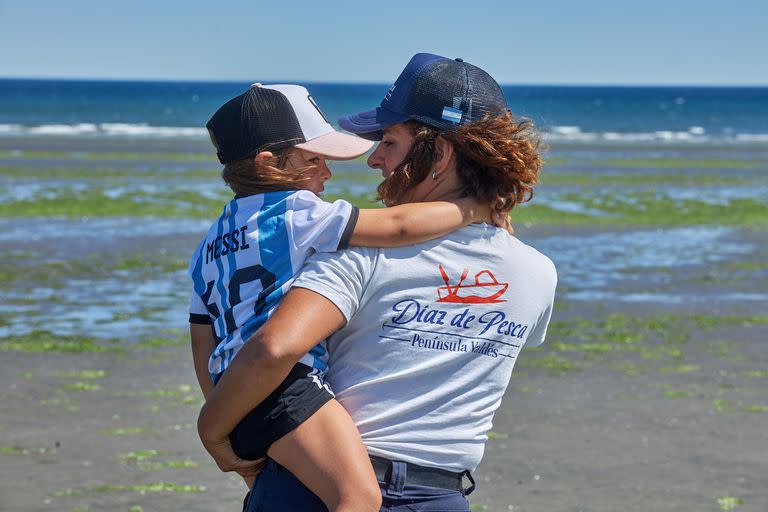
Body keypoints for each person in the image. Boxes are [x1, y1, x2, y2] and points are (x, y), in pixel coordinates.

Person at [197, 54, 557, 511]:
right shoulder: (537, 272)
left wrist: (214, 428)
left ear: (440, 155)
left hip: (314, 489)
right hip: (439, 497)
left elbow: (270, 346)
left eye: (388, 141)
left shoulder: (361, 252)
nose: (374, 159)